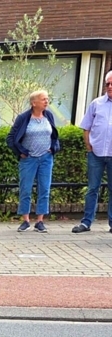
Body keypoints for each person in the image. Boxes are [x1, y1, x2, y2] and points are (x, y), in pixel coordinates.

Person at [7, 90, 60, 234]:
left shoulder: (49, 116)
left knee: (44, 189)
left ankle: (40, 221)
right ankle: (25, 220)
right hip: (29, 159)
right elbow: (10, 138)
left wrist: (54, 148)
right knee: (26, 188)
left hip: (46, 159)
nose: (46, 102)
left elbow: (55, 136)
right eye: (43, 99)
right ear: (34, 102)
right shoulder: (23, 118)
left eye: (47, 99)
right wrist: (21, 152)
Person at [72, 71, 112, 234]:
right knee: (92, 188)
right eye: (107, 84)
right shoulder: (96, 103)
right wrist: (89, 147)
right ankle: (86, 222)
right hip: (96, 154)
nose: (109, 87)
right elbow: (86, 126)